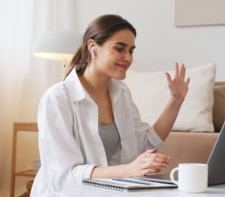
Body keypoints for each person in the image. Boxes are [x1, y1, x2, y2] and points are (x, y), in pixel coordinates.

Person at [30, 14, 190, 196]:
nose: (128, 58)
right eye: (120, 49)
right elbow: (65, 176)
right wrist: (128, 170)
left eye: (131, 50)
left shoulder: (121, 93)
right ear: (93, 47)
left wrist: (176, 101)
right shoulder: (57, 98)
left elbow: (144, 144)